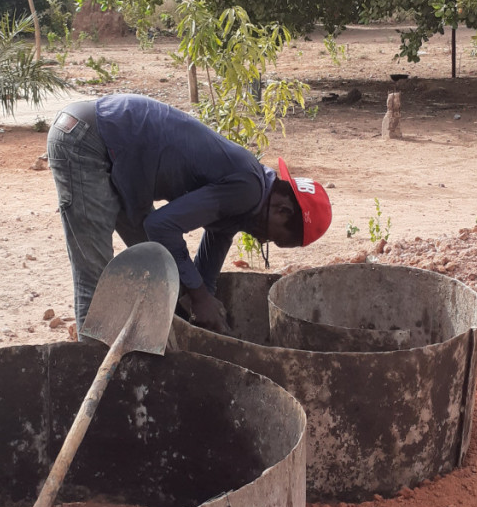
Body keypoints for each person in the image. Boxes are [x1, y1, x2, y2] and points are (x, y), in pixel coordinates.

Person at [47, 93, 332, 335]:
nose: (262, 241)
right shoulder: (248, 189)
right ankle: (89, 380)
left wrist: (201, 302)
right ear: (282, 210)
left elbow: (202, 279)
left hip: (125, 162)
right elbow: (160, 226)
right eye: (273, 238)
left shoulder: (245, 203)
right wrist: (198, 297)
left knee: (166, 270)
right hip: (88, 139)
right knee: (94, 279)